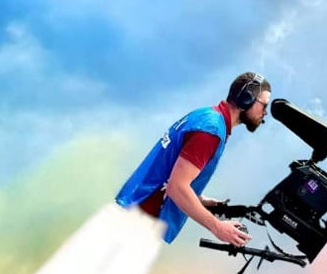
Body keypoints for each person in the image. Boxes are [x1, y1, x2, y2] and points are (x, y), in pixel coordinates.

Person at [116, 73, 271, 248]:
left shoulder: (207, 116)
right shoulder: (210, 131)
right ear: (246, 99)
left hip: (135, 212)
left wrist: (200, 199)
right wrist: (218, 227)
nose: (265, 112)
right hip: (142, 220)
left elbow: (175, 167)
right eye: (264, 105)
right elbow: (177, 187)